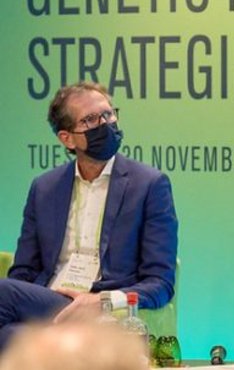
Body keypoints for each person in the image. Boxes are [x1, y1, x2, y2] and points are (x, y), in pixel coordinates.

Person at [0, 82, 178, 351]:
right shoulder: (44, 187)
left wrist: (103, 300)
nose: (104, 124)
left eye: (108, 114)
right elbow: (23, 272)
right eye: (90, 120)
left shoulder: (149, 185)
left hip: (101, 308)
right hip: (50, 301)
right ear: (67, 138)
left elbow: (161, 283)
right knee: (9, 328)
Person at [0, 321, 148, 370]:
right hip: (46, 294)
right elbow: (23, 271)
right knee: (10, 332)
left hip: (102, 298)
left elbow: (159, 282)